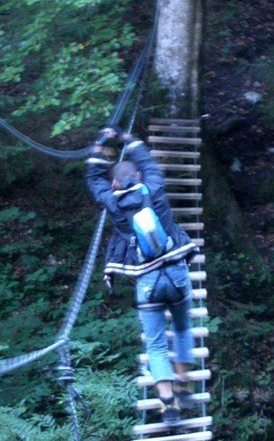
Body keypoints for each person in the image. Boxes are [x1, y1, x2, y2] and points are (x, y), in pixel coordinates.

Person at [85, 125, 199, 424]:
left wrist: (101, 143)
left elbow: (93, 178)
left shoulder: (112, 203)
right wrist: (127, 139)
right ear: (137, 178)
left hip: (147, 281)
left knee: (157, 344)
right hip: (176, 275)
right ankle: (185, 385)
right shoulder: (155, 190)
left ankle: (168, 403)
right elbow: (148, 162)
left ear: (114, 185)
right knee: (184, 329)